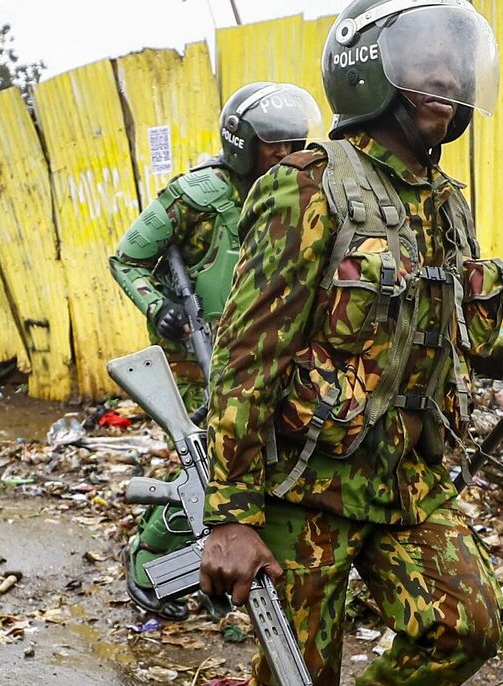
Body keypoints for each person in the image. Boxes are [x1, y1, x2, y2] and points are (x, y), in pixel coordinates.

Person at [201, 1, 503, 686]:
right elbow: (245, 359)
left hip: (409, 482)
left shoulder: (444, 202)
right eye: (423, 56)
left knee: (467, 623)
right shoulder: (306, 188)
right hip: (307, 491)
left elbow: (463, 324)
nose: (446, 75)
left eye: (455, 60)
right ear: (366, 66)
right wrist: (230, 517)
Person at [111, 82, 322, 620]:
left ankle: (226, 574)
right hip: (192, 358)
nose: (283, 152)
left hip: (260, 357)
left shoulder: (302, 196)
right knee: (206, 463)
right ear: (241, 142)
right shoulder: (196, 195)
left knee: (252, 465)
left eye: (292, 141)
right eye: (271, 143)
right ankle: (149, 559)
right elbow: (127, 259)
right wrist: (159, 307)